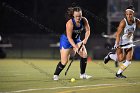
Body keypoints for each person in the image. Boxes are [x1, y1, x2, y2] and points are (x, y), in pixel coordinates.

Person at [53, 6, 92, 80]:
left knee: (84, 54)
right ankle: (56, 75)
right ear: (73, 15)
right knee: (64, 61)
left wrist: (85, 39)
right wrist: (76, 48)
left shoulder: (84, 20)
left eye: (80, 16)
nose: (78, 18)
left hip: (77, 39)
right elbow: (70, 38)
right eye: (76, 16)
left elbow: (88, 31)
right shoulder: (70, 23)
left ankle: (82, 74)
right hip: (66, 40)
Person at [104, 5, 140, 78]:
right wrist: (117, 44)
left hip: (129, 42)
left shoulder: (137, 21)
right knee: (120, 59)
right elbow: (118, 34)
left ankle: (118, 74)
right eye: (127, 14)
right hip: (120, 42)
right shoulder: (123, 22)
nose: (129, 16)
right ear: (125, 14)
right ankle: (110, 55)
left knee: (129, 60)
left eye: (130, 14)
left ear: (133, 14)